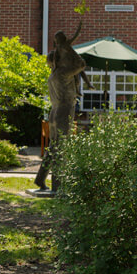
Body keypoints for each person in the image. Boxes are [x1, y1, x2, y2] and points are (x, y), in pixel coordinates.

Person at [34, 30, 86, 191]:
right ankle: (58, 185)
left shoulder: (53, 76)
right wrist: (67, 47)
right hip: (64, 111)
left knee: (53, 147)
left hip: (54, 112)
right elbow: (81, 64)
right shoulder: (63, 74)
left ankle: (40, 178)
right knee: (60, 149)